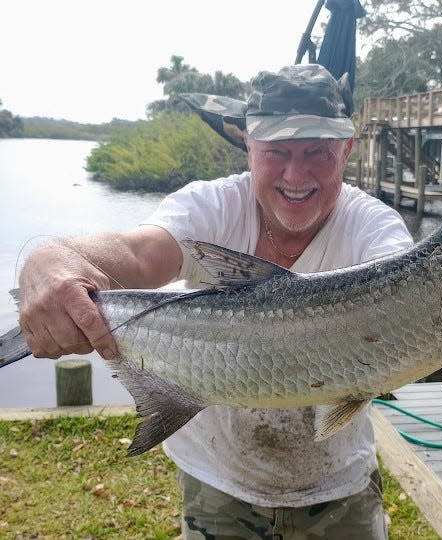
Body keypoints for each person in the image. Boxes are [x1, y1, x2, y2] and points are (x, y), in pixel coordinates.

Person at [18, 64, 413, 540]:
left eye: (318, 152)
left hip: (338, 482)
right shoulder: (211, 206)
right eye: (277, 151)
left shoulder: (376, 228)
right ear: (247, 144)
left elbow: (412, 297)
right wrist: (52, 259)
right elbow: (137, 253)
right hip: (217, 480)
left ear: (347, 149)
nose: (296, 174)